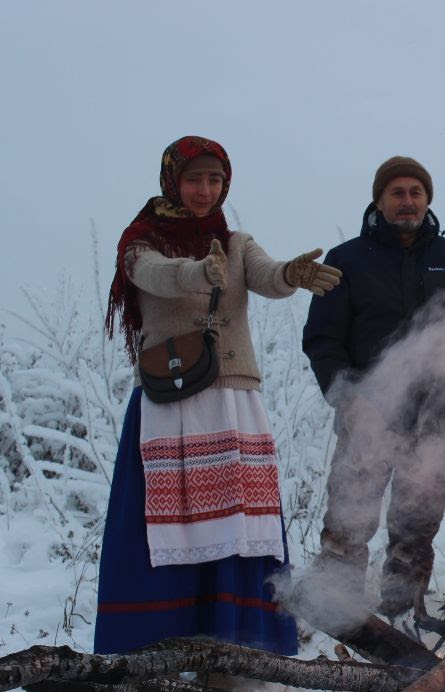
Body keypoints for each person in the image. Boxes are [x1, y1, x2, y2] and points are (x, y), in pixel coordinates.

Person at [96, 135, 341, 655]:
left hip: (233, 399)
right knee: (161, 525)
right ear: (172, 181)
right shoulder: (139, 241)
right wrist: (194, 271)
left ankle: (240, 642)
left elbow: (266, 275)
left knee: (240, 520)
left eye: (215, 180)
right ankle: (151, 645)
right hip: (170, 399)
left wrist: (290, 274)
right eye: (194, 179)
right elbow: (153, 276)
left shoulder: (235, 243)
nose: (205, 190)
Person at [303, 156, 445, 619]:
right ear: (379, 200)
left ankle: (400, 617)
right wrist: (348, 398)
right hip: (368, 416)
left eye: (415, 192)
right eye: (397, 193)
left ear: (427, 199)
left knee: (416, 528)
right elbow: (322, 340)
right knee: (349, 521)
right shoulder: (346, 260)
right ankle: (337, 613)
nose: (407, 201)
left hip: (436, 418)